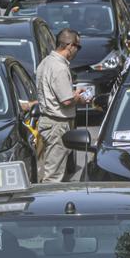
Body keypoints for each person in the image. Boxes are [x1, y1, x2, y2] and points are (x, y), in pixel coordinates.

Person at [35, 28, 86, 182]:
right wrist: (78, 96)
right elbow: (66, 101)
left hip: (46, 121)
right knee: (54, 176)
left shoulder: (45, 62)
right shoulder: (60, 67)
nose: (78, 51)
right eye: (78, 47)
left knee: (45, 171)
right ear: (70, 46)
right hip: (57, 124)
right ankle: (49, 204)